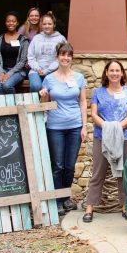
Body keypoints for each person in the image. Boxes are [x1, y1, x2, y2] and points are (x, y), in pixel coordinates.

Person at [83, 60, 127, 223]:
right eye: (111, 70)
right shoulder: (98, 93)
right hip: (102, 137)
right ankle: (89, 207)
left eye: (117, 70)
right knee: (98, 172)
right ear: (106, 73)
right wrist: (109, 128)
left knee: (124, 173)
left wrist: (117, 128)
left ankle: (125, 206)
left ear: (122, 73)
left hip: (125, 137)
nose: (114, 73)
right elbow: (94, 114)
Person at [39, 43, 87, 215]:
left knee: (70, 165)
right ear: (57, 56)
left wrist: (84, 126)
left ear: (72, 58)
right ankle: (58, 200)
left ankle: (66, 196)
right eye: (62, 54)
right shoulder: (49, 79)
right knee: (58, 165)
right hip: (55, 126)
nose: (65, 58)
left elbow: (82, 101)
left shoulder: (79, 78)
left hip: (75, 126)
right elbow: (45, 106)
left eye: (69, 55)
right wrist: (43, 98)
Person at [27, 11, 67, 92]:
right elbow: (31, 56)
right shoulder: (36, 38)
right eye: (44, 24)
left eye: (49, 24)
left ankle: (47, 104)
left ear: (54, 25)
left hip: (53, 70)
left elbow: (61, 58)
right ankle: (35, 105)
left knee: (49, 88)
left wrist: (47, 70)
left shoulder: (61, 39)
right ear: (41, 25)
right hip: (36, 70)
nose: (47, 26)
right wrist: (37, 68)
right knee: (35, 86)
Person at [0, 12, 30, 94]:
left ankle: (12, 106)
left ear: (17, 23)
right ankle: (2, 106)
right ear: (5, 23)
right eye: (8, 21)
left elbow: (23, 61)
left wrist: (9, 74)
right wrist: (1, 72)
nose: (11, 23)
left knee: (7, 85)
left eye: (13, 21)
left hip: (17, 71)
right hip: (1, 69)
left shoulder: (24, 40)